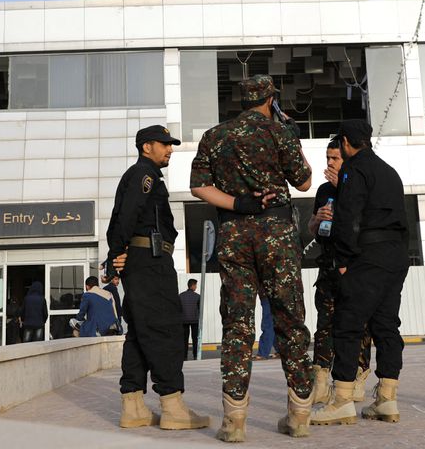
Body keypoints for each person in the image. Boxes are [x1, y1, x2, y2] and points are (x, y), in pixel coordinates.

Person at [191, 74, 314, 441]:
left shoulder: (215, 136)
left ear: (241, 100)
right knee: (290, 319)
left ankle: (234, 421)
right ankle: (299, 416)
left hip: (234, 234)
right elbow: (305, 181)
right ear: (270, 99)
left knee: (237, 323)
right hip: (277, 236)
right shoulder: (280, 133)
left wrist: (238, 203)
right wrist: (291, 134)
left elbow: (199, 187)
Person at [106, 124, 209, 431]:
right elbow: (125, 217)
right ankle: (173, 405)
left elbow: (120, 218)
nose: (170, 149)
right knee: (164, 329)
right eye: (164, 144)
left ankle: (134, 406)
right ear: (146, 146)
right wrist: (116, 253)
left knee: (139, 332)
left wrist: (118, 253)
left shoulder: (142, 176)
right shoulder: (144, 175)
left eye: (171, 144)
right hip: (149, 262)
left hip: (143, 260)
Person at [310, 120, 410, 426]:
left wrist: (343, 259)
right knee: (386, 326)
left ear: (344, 142)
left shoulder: (353, 169)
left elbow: (349, 217)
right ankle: (387, 400)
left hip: (366, 256)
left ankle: (341, 399)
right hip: (395, 257)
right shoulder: (389, 171)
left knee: (347, 324)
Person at [306, 137, 373, 405]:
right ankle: (320, 380)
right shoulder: (323, 190)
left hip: (355, 267)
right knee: (325, 325)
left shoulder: (360, 186)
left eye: (335, 158)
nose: (330, 163)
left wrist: (343, 191)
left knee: (359, 324)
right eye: (328, 158)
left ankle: (356, 378)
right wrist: (317, 219)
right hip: (328, 265)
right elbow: (312, 227)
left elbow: (367, 223)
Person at [179, 279, 200, 360]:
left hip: (183, 321)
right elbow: (200, 309)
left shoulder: (180, 296)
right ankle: (195, 356)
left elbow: (178, 308)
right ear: (193, 285)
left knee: (184, 340)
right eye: (196, 285)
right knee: (195, 339)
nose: (196, 287)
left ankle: (184, 356)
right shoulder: (198, 296)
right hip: (195, 321)